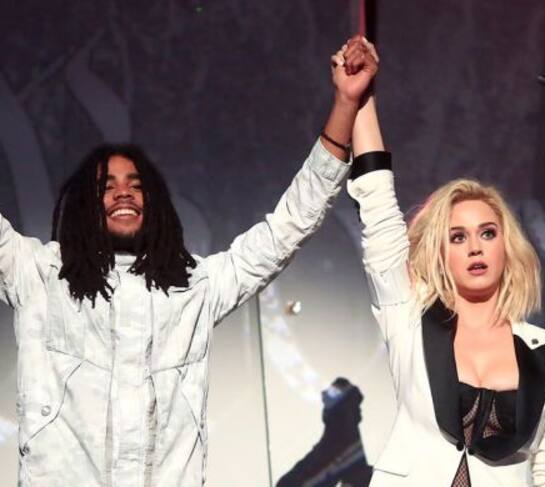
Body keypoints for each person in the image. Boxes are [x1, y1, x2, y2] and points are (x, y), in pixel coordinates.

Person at [0, 41, 377, 487]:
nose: (123, 192)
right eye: (107, 185)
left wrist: (345, 104)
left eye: (135, 184)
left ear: (154, 203)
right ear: (85, 205)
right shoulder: (39, 275)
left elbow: (287, 228)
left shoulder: (194, 287)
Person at [341, 36, 545, 486]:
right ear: (441, 253)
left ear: (507, 246)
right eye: (457, 237)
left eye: (487, 233)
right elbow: (377, 207)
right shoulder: (409, 318)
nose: (475, 247)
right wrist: (361, 99)